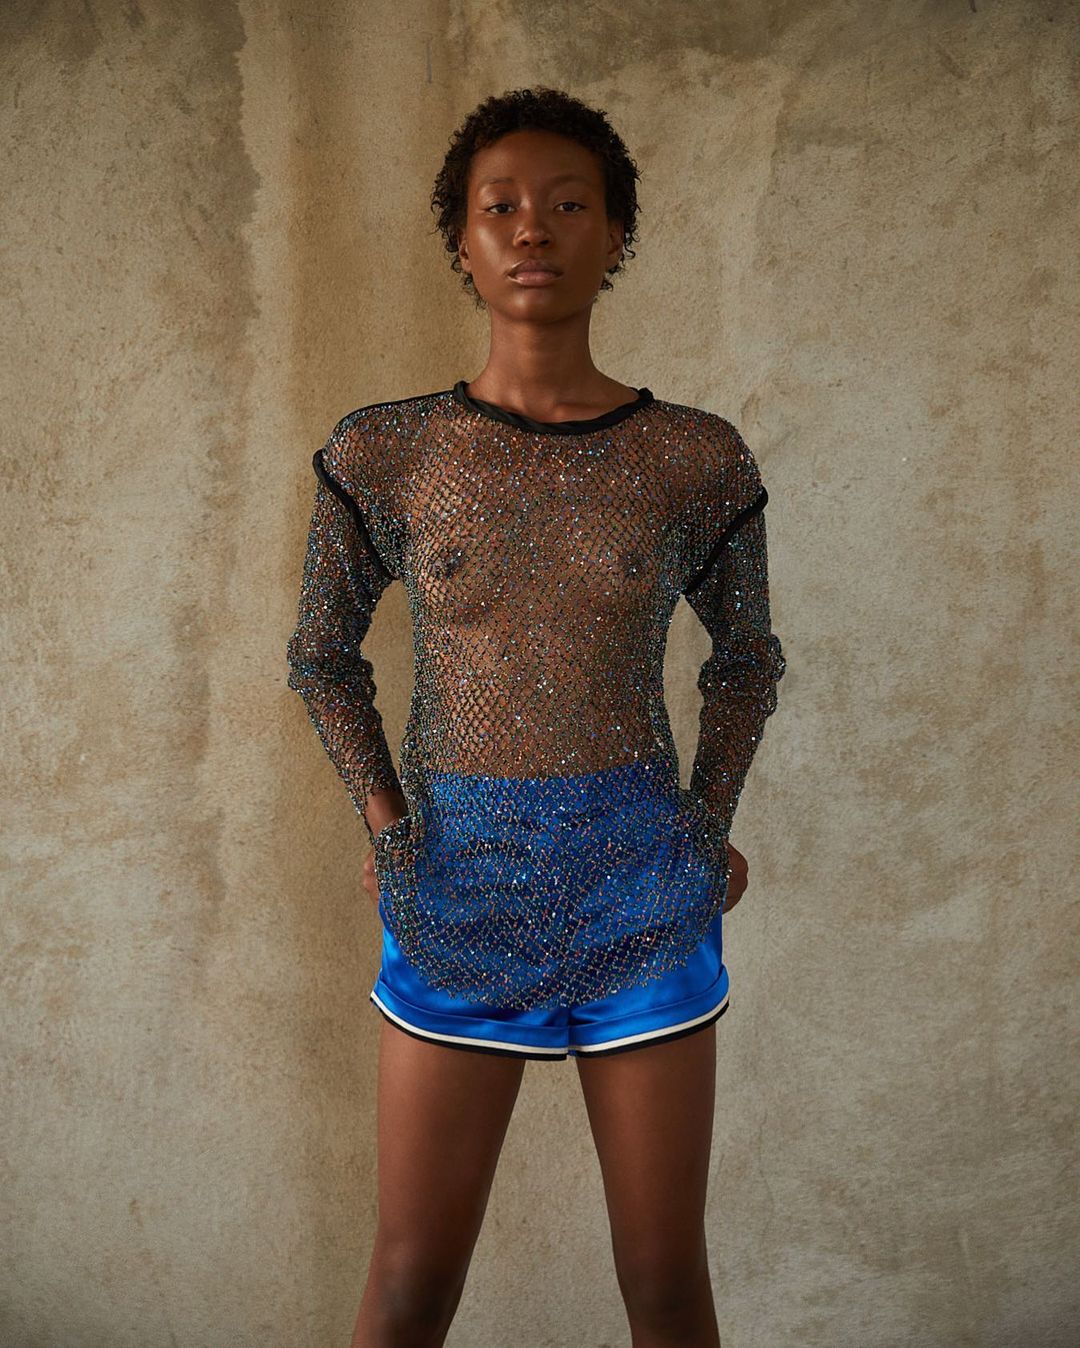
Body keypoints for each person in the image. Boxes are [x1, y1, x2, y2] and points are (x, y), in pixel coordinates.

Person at [286, 85, 786, 1348]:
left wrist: (706, 819)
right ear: (459, 238)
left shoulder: (694, 457)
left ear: (615, 234)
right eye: (499, 205)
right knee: (412, 1282)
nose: (531, 229)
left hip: (643, 886)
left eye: (568, 204)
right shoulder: (389, 451)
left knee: (665, 1281)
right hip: (455, 884)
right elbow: (322, 656)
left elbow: (747, 660)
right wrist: (388, 820)